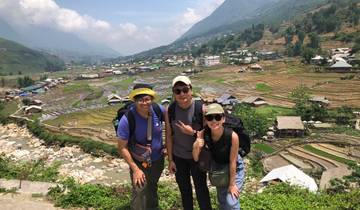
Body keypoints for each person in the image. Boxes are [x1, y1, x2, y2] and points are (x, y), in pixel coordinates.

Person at [117, 84, 168, 210]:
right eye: (140, 99)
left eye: (147, 99)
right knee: (139, 190)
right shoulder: (127, 119)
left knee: (152, 187)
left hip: (157, 160)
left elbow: (170, 127)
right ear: (134, 101)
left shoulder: (158, 109)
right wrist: (135, 169)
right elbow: (122, 147)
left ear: (152, 99)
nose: (144, 103)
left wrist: (167, 147)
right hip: (139, 161)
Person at [166, 76, 212, 210]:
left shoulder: (201, 108)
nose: (182, 94)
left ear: (191, 90)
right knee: (184, 191)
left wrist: (192, 132)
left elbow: (208, 135)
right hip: (178, 157)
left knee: (201, 189)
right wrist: (170, 160)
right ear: (174, 93)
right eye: (177, 91)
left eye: (185, 90)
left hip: (196, 157)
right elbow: (169, 136)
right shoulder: (170, 109)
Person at [193, 103, 245, 210]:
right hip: (218, 167)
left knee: (231, 201)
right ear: (206, 120)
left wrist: (231, 184)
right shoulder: (203, 134)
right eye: (209, 117)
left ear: (223, 119)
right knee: (222, 200)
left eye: (217, 117)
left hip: (235, 167)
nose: (214, 121)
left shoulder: (232, 136)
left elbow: (233, 161)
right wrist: (197, 145)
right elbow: (195, 158)